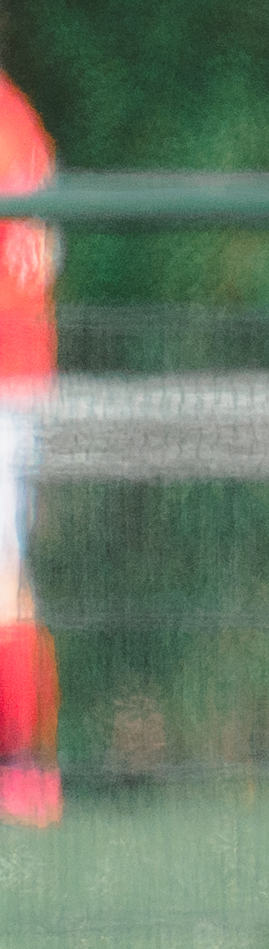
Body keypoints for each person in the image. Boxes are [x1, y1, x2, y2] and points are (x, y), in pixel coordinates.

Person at [0, 66, 58, 827]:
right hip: (20, 375)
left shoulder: (9, 116)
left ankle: (20, 767)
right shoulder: (17, 107)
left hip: (7, 374)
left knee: (3, 578)